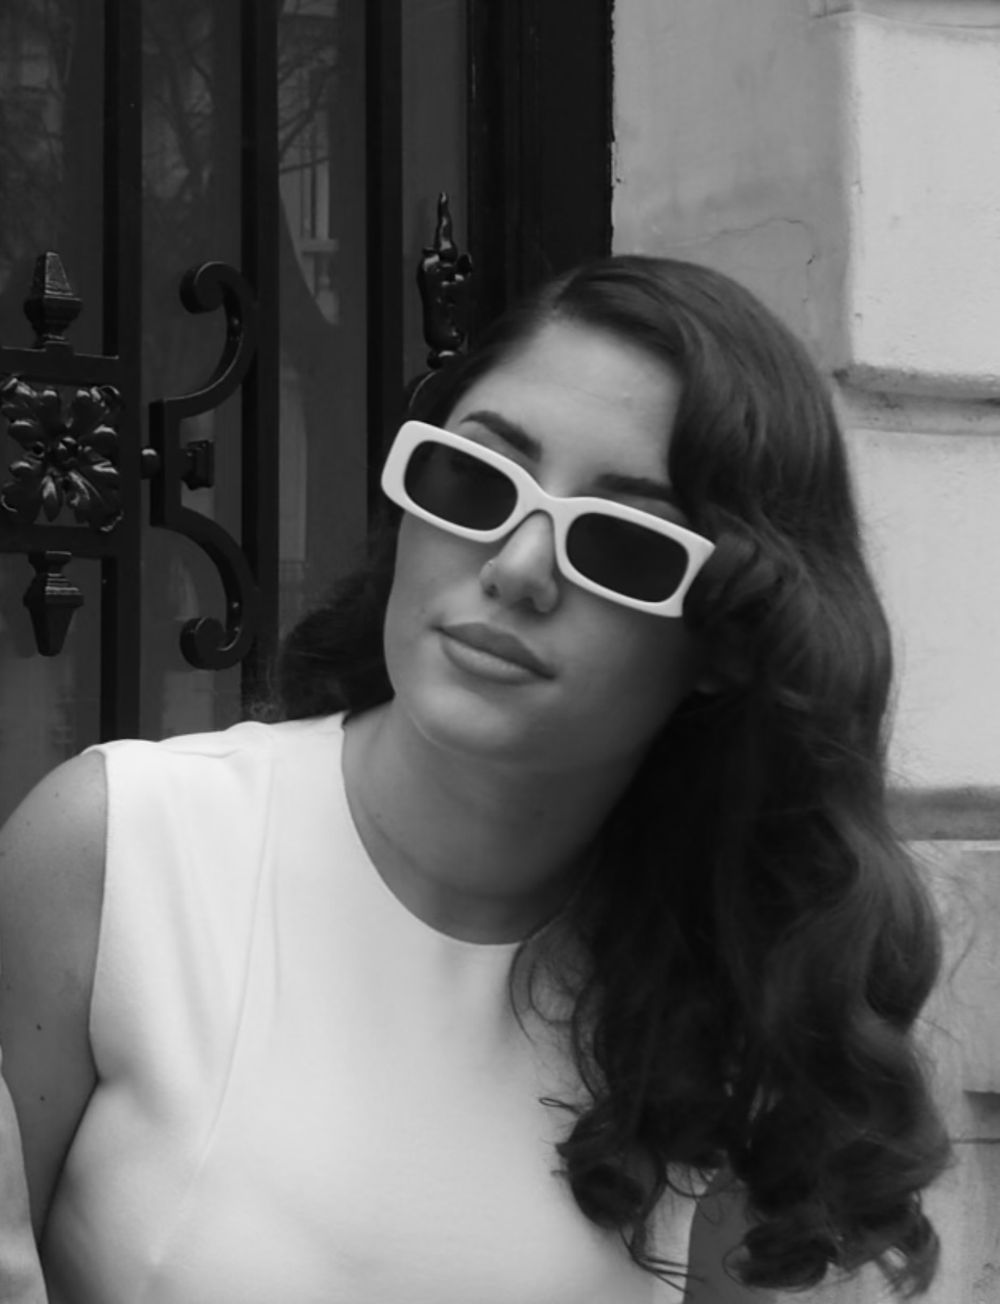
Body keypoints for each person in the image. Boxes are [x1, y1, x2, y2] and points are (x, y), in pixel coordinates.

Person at [0, 255, 951, 1303]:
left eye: (623, 544)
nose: (517, 565)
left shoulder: (738, 999)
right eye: (475, 481)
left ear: (730, 640)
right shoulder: (120, 851)